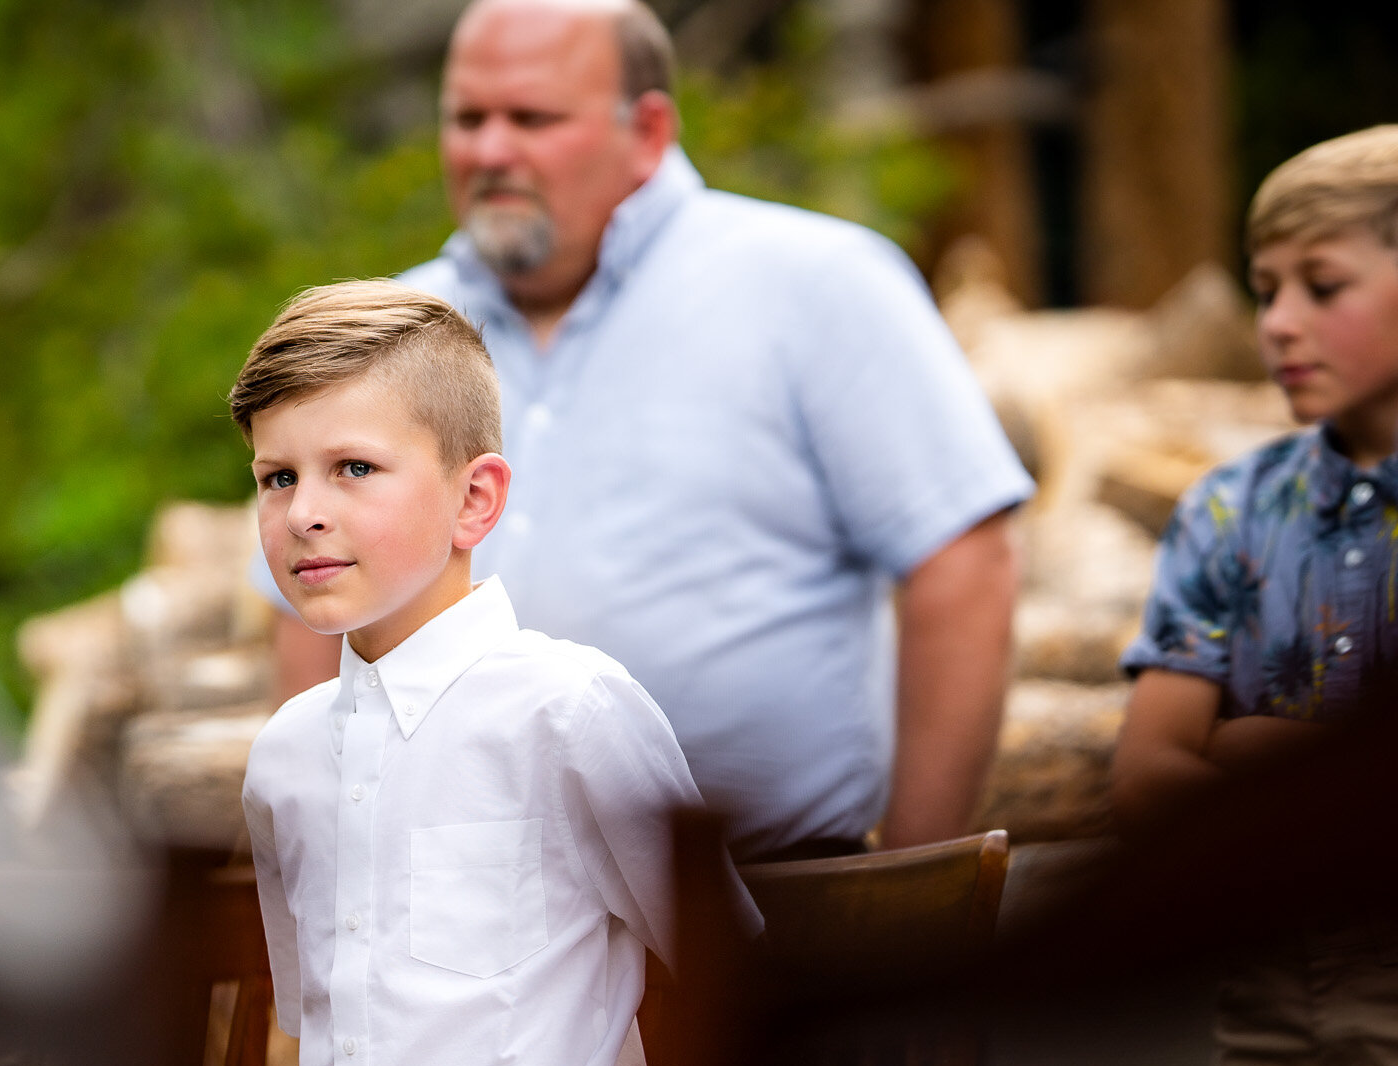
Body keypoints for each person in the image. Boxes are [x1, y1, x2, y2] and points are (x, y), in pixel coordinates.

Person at [257, 0, 1029, 861]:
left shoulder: (816, 286)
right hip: (451, 908)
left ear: (649, 129)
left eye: (533, 117)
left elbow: (963, 557)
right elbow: (308, 610)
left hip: (774, 902)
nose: (490, 150)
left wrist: (912, 887)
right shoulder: (390, 328)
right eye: (468, 118)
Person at [238, 279, 757, 1066]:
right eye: (278, 478)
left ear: (476, 499)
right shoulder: (284, 762)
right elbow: (325, 1015)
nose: (305, 513)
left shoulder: (566, 709)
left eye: (353, 470)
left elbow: (733, 980)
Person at [1112, 125, 1398, 1066]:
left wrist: (1253, 739)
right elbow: (1152, 767)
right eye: (1263, 283)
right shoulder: (1232, 512)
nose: (1277, 322)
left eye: (1320, 284)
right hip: (1278, 1011)